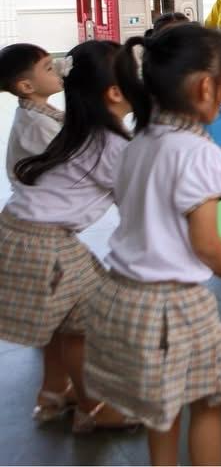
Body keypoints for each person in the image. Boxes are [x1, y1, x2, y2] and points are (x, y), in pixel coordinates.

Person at [83, 25, 221, 466]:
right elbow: (205, 243)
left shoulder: (137, 142)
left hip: (120, 293)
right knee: (206, 400)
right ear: (207, 87)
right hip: (172, 306)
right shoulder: (199, 152)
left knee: (160, 410)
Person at [0, 41, 139, 432]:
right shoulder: (110, 144)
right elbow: (139, 209)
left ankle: (54, 393)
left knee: (69, 319)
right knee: (88, 320)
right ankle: (95, 411)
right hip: (43, 242)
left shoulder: (77, 126)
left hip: (22, 231)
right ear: (115, 93)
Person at [1, 43, 63, 182]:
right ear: (27, 86)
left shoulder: (39, 112)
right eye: (49, 68)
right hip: (41, 196)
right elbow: (66, 164)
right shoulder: (39, 124)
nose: (58, 70)